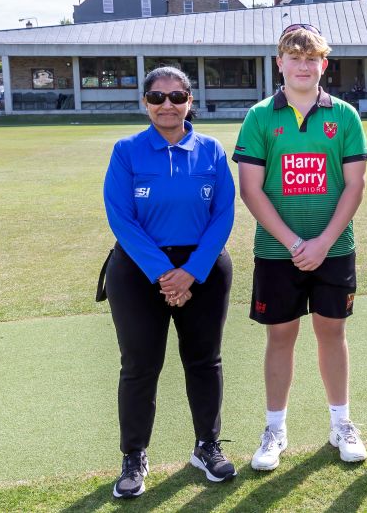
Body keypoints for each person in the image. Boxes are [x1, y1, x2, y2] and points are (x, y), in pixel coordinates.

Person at [234, 23, 367, 470]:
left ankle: (341, 424)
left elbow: (355, 185)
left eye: (312, 58)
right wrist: (295, 243)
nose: (303, 66)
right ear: (280, 63)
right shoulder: (259, 117)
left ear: (323, 64)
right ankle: (275, 429)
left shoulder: (344, 116)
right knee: (280, 336)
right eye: (295, 58)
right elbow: (250, 189)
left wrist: (323, 242)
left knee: (332, 333)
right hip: (278, 253)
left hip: (334, 248)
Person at [103, 66, 237, 498]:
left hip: (203, 268)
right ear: (145, 102)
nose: (167, 105)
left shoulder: (211, 150)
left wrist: (191, 272)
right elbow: (120, 217)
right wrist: (165, 273)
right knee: (140, 365)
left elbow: (224, 214)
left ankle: (206, 446)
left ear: (189, 102)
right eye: (157, 97)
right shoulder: (126, 150)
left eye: (177, 96)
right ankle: (134, 455)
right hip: (139, 271)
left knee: (204, 361)